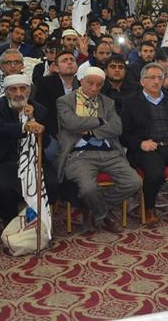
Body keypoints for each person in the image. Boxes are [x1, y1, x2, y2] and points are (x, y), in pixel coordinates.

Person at [56, 67, 141, 233]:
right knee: (88, 189)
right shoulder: (65, 101)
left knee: (134, 182)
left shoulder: (107, 102)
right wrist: (101, 121)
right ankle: (104, 214)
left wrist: (89, 130)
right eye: (90, 83)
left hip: (109, 152)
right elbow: (71, 123)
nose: (94, 88)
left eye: (99, 85)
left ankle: (94, 205)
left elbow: (116, 128)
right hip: (79, 154)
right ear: (81, 81)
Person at [120, 63, 168, 225]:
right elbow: (123, 133)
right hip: (148, 148)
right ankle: (149, 207)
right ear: (142, 81)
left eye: (160, 78)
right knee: (155, 173)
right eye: (152, 78)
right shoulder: (131, 102)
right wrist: (140, 143)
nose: (156, 81)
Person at [0, 74, 57, 225]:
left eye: (22, 89)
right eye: (13, 89)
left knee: (52, 183)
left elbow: (46, 141)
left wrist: (32, 119)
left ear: (29, 91)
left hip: (34, 158)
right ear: (6, 92)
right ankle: (10, 222)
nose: (18, 93)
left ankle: (38, 221)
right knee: (6, 188)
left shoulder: (40, 110)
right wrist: (24, 126)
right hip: (4, 159)